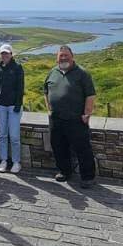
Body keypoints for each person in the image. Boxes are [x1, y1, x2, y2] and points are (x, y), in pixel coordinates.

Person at [43, 45, 97, 188]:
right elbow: (45, 91)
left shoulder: (82, 73)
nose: (64, 57)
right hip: (56, 118)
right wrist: (49, 109)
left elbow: (90, 95)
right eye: (61, 55)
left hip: (76, 119)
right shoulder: (52, 72)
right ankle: (64, 172)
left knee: (82, 148)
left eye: (66, 55)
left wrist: (87, 113)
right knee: (59, 147)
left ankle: (88, 177)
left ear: (72, 56)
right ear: (57, 58)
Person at [0, 43, 24, 173]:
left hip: (13, 106)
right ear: (0, 55)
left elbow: (20, 88)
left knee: (15, 136)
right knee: (2, 135)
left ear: (11, 54)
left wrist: (18, 105)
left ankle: (16, 162)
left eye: (7, 53)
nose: (4, 55)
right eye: (2, 53)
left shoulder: (17, 68)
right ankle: (4, 160)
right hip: (1, 105)